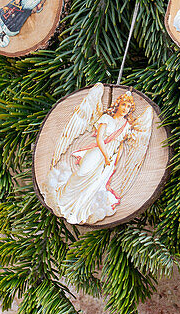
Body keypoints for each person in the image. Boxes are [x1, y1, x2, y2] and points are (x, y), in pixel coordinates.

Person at [44, 93, 140, 224]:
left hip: (110, 158)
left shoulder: (126, 125)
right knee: (82, 173)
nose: (125, 108)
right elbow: (100, 139)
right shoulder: (106, 118)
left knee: (94, 183)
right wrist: (106, 156)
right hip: (99, 152)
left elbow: (121, 146)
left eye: (128, 107)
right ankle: (64, 198)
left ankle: (78, 207)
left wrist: (114, 162)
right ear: (118, 105)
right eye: (123, 104)